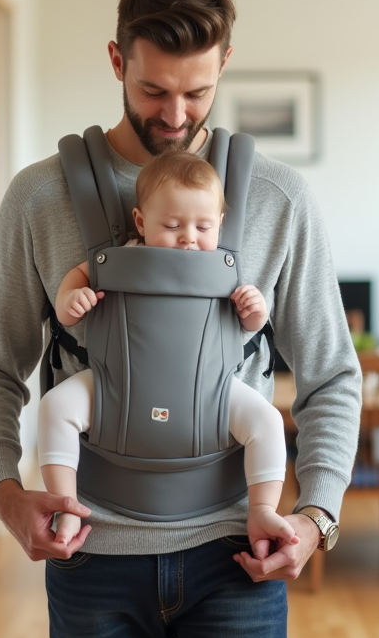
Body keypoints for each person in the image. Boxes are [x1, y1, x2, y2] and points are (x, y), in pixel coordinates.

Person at [0, 0, 361, 638]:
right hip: (90, 552)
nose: (175, 116)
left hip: (238, 555)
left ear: (225, 63)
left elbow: (331, 375)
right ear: (117, 60)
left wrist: (317, 516)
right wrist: (6, 493)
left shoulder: (278, 199)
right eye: (153, 91)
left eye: (198, 92)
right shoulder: (41, 198)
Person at [41, 150, 294, 559]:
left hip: (213, 391)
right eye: (172, 225)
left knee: (266, 418)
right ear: (141, 221)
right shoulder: (121, 252)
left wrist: (255, 309)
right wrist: (69, 298)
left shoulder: (224, 265)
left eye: (203, 226)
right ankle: (65, 506)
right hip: (113, 384)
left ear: (222, 225)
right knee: (55, 408)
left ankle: (263, 508)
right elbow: (82, 274)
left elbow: (247, 327)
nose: (189, 238)